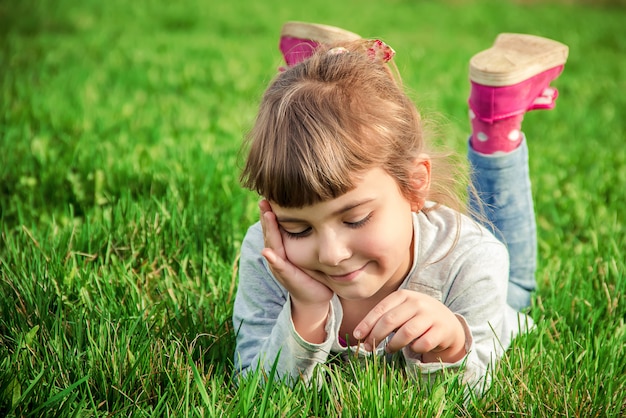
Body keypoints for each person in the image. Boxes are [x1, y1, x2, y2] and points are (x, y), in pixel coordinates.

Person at [233, 22, 568, 390]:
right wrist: (306, 310)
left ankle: (497, 122)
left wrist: (451, 346)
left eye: (356, 219)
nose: (331, 254)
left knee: (517, 288)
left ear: (414, 185)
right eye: (299, 228)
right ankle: (327, 72)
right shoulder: (272, 255)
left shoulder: (473, 259)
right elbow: (253, 386)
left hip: (490, 287)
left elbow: (468, 394)